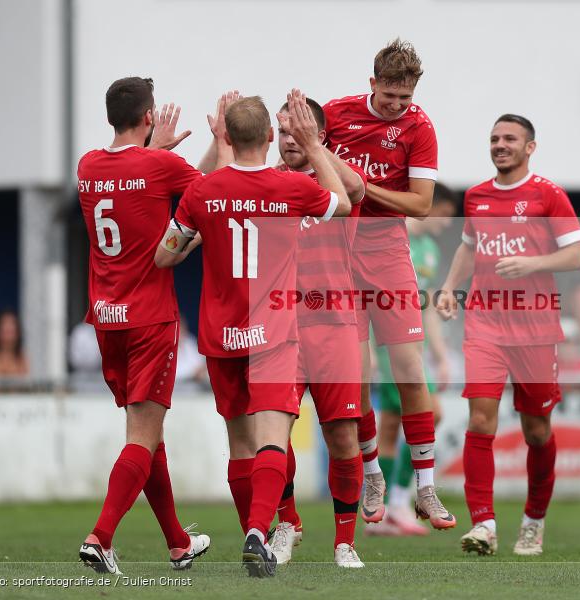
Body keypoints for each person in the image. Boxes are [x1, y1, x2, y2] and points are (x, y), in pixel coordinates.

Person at [155, 91, 351, 578]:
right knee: (272, 441)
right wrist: (312, 142)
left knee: (240, 444)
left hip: (222, 337)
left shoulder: (202, 193)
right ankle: (259, 533)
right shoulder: (289, 187)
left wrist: (204, 233)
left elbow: (165, 254)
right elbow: (344, 203)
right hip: (272, 334)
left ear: (225, 136)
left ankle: (254, 532)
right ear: (269, 136)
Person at [76, 76, 228, 574]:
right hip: (149, 319)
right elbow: (205, 199)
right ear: (148, 117)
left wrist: (153, 152)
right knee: (142, 434)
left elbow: (156, 189)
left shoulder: (88, 166)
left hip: (107, 318)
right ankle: (100, 537)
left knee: (149, 433)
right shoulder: (159, 165)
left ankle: (179, 543)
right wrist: (218, 141)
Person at [436, 114, 580, 556]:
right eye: (495, 139)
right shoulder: (477, 196)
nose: (500, 145)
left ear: (529, 148)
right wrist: (449, 287)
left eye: (510, 139)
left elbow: (578, 253)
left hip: (536, 329)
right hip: (485, 325)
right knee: (480, 420)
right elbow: (468, 246)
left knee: (537, 431)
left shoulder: (548, 195)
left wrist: (533, 264)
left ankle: (533, 522)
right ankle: (483, 524)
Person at [322, 38, 454, 529]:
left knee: (408, 369)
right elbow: (307, 161)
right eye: (390, 95)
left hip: (386, 249)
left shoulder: (419, 127)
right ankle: (373, 471)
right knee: (357, 374)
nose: (398, 106)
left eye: (407, 97)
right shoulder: (335, 115)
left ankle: (424, 486)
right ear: (372, 82)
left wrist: (357, 183)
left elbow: (420, 204)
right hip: (338, 252)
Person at [267, 97, 368, 568]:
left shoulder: (333, 182)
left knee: (342, 438)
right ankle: (288, 523)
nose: (290, 139)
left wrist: (315, 145)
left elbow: (356, 188)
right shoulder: (265, 184)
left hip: (334, 325)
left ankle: (344, 542)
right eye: (283, 130)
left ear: (319, 136)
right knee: (273, 432)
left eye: (299, 131)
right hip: (279, 324)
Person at [370, 184, 457, 536]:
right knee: (430, 413)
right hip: (389, 345)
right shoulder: (397, 232)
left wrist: (441, 355)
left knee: (391, 424)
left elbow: (426, 304)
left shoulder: (430, 250)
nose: (447, 224)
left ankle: (389, 508)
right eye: (448, 215)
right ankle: (401, 500)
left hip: (414, 343)